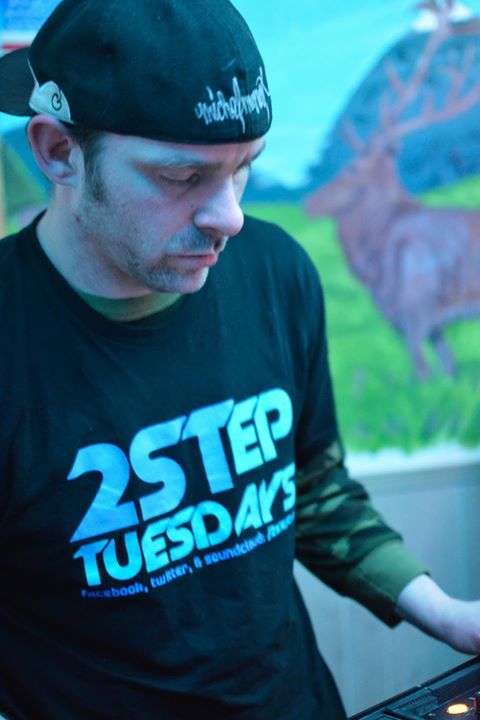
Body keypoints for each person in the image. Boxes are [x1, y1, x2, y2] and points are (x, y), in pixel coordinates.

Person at [0, 1, 478, 718]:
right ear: (60, 152)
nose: (229, 217)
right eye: (180, 177)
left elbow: (309, 484)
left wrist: (448, 614)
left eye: (243, 169)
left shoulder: (276, 271)